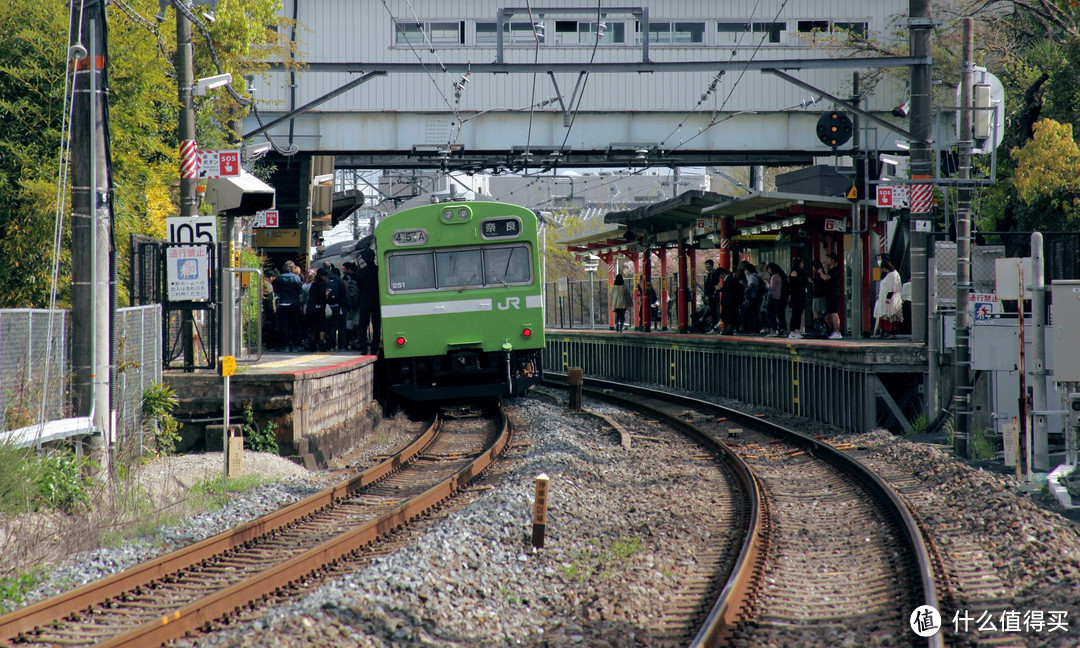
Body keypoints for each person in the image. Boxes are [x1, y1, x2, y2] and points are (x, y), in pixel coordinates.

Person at [355, 247, 381, 354]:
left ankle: (363, 347)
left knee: (363, 325)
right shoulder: (378, 271)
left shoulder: (360, 273)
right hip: (377, 301)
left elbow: (359, 287)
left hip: (364, 301)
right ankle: (375, 347)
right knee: (376, 325)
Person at [273, 261, 303, 352]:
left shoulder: (279, 278)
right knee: (295, 325)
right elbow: (300, 291)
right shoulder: (296, 277)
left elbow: (276, 290)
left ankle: (285, 345)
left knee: (284, 325)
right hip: (294, 303)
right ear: (293, 268)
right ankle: (296, 345)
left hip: (283, 303)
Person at [873, 254, 903, 338]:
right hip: (885, 297)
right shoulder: (887, 274)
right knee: (884, 315)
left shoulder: (893, 274)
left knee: (891, 315)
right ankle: (885, 332)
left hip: (892, 297)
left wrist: (888, 297)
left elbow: (892, 287)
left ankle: (892, 333)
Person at [821, 252, 843, 339]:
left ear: (833, 260)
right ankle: (832, 330)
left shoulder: (836, 270)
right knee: (830, 312)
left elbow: (826, 277)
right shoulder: (831, 270)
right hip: (829, 294)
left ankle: (837, 331)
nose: (826, 260)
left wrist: (820, 271)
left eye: (828, 259)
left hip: (834, 294)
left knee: (834, 312)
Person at [740, 261, 764, 335]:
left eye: (746, 270)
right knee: (755, 313)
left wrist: (745, 290)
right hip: (757, 297)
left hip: (753, 298)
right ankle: (756, 328)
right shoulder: (756, 275)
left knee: (750, 313)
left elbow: (751, 286)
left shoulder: (751, 276)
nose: (745, 271)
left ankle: (752, 328)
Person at [718, 266, 744, 335]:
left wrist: (720, 289)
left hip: (729, 301)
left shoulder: (729, 279)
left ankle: (730, 328)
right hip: (731, 302)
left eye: (720, 276)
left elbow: (728, 290)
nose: (720, 278)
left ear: (722, 273)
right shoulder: (731, 279)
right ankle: (731, 328)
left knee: (725, 315)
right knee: (732, 315)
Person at [787, 259, 809, 339]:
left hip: (801, 295)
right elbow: (792, 285)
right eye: (802, 262)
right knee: (795, 313)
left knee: (799, 313)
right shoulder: (794, 273)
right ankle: (792, 331)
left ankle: (797, 330)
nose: (803, 264)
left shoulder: (801, 272)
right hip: (796, 296)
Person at [764, 262, 787, 337]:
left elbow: (771, 287)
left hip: (773, 297)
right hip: (779, 297)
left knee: (771, 314)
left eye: (769, 269)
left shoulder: (774, 276)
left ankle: (773, 330)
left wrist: (766, 282)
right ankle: (780, 329)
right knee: (779, 314)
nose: (768, 271)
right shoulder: (781, 276)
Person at [702, 259, 722, 331]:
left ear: (712, 265)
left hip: (712, 296)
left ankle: (715, 327)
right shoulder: (710, 273)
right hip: (711, 295)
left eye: (708, 265)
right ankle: (714, 326)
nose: (707, 267)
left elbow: (714, 284)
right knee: (713, 311)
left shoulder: (712, 273)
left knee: (714, 312)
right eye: (706, 265)